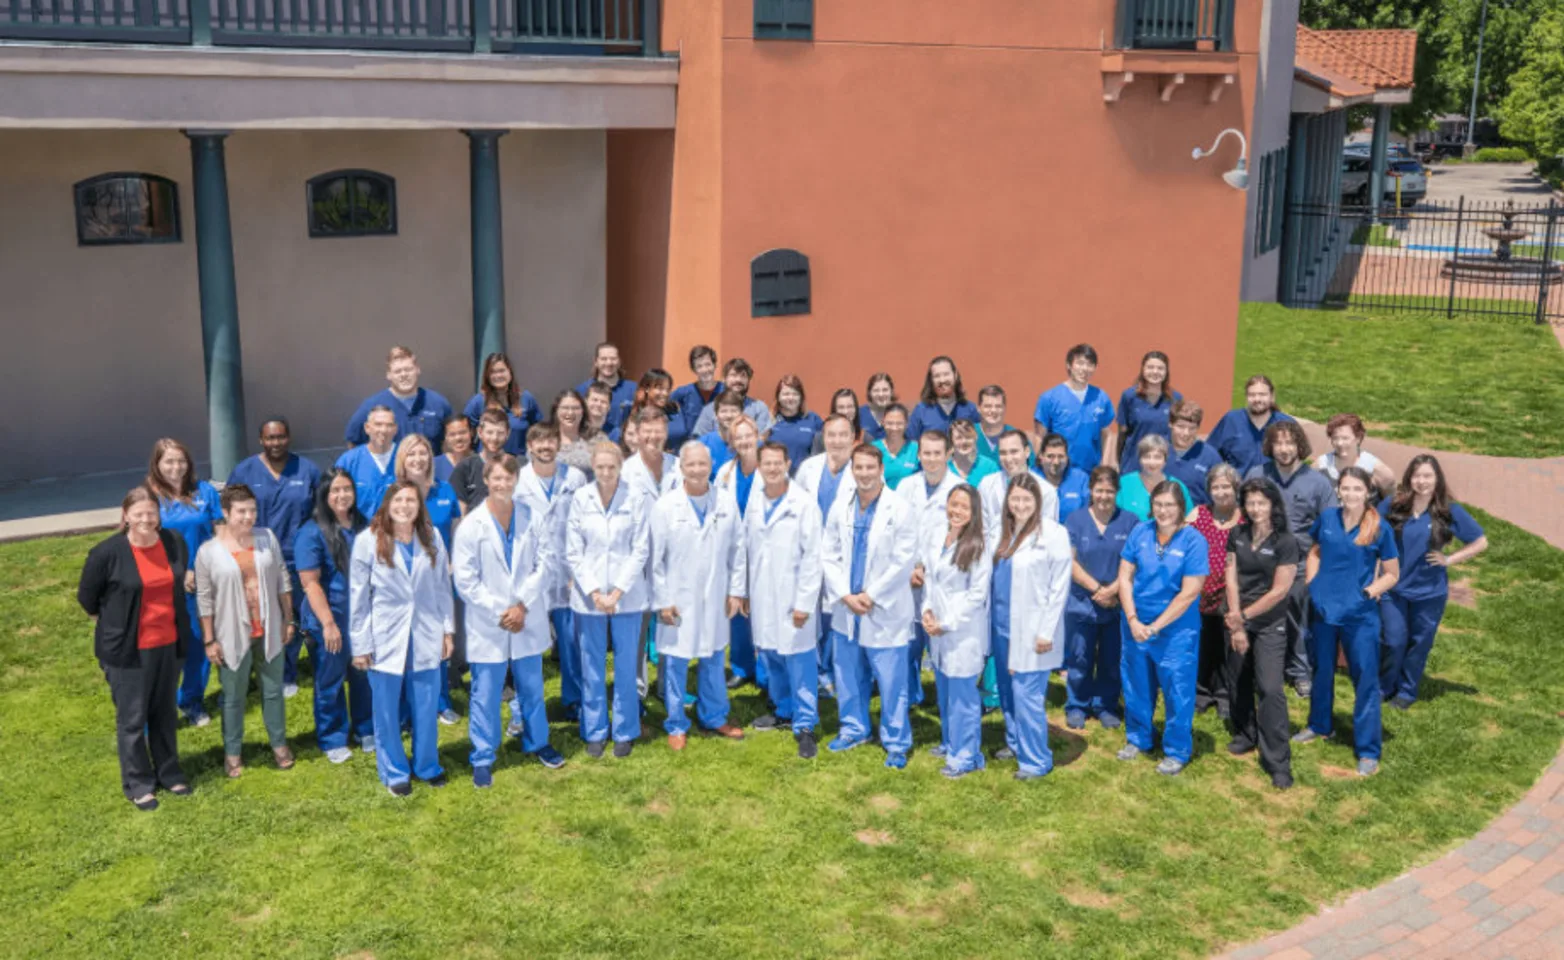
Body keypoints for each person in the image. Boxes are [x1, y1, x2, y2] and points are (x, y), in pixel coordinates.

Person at [77, 486, 196, 811]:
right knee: (132, 720)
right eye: (139, 514)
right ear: (126, 516)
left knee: (164, 713)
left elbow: (177, 583)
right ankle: (139, 784)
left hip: (168, 645)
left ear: (159, 516)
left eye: (151, 513)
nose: (146, 519)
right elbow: (87, 599)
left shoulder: (174, 542)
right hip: (128, 652)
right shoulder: (107, 553)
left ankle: (169, 773)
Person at [452, 455, 567, 786]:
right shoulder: (471, 527)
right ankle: (483, 756)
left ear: (517, 481)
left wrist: (522, 606)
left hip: (525, 618)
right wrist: (501, 610)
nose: (503, 484)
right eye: (497, 478)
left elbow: (545, 563)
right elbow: (466, 581)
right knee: (485, 693)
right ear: (486, 480)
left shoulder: (532, 517)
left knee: (531, 686)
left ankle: (538, 742)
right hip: (490, 623)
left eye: (509, 479)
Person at [349, 480, 455, 796]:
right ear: (387, 504)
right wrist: (361, 645)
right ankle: (394, 770)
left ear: (418, 505)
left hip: (425, 633)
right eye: (399, 500)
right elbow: (359, 598)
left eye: (411, 500)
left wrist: (448, 630)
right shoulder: (367, 541)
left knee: (425, 704)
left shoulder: (431, 536)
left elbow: (442, 588)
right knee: (386, 710)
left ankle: (426, 765)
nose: (405, 506)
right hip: (385, 638)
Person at [1295, 467, 1400, 776]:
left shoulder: (1379, 528)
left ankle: (1368, 750)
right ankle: (1319, 725)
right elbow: (1314, 551)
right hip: (1324, 611)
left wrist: (1370, 592)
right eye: (1346, 488)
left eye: (1358, 489)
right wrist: (1313, 583)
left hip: (1359, 615)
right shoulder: (1327, 518)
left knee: (1365, 679)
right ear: (1338, 490)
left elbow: (1393, 573)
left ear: (1368, 493)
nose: (1351, 494)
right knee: (1321, 669)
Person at [821, 443, 918, 768]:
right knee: (848, 676)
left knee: (891, 683)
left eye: (869, 468)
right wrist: (845, 594)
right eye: (858, 467)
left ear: (880, 470)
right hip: (847, 608)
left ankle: (896, 742)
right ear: (853, 470)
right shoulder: (841, 506)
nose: (864, 473)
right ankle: (854, 728)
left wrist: (871, 595)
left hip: (883, 609)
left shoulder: (899, 508)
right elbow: (828, 553)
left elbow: (903, 560)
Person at [650, 442, 749, 749]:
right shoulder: (666, 507)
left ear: (710, 466)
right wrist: (663, 600)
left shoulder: (725, 502)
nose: (696, 470)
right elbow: (654, 560)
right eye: (690, 464)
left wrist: (736, 590)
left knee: (714, 658)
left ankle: (714, 716)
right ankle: (676, 722)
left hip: (715, 595)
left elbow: (738, 549)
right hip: (677, 599)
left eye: (702, 464)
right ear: (681, 468)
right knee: (677, 662)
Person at [195, 483, 295, 778]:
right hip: (230, 637)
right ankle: (233, 752)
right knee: (234, 697)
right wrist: (210, 639)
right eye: (241, 511)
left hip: (269, 630)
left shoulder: (267, 538)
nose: (248, 516)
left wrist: (288, 619)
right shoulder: (208, 552)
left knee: (273, 691)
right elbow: (204, 599)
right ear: (226, 512)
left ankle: (279, 744)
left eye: (252, 510)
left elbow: (282, 580)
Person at [1116, 481, 1210, 776]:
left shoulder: (1193, 541)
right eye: (1158, 504)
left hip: (1175, 631)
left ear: (1181, 507)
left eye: (1170, 505)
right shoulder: (1140, 532)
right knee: (1136, 684)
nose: (1163, 511)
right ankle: (1139, 738)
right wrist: (1132, 619)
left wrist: (1155, 627)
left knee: (1177, 689)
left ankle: (1177, 749)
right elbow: (1125, 577)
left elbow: (1190, 592)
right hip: (1136, 625)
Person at [1379, 455, 1487, 709]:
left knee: (1419, 642)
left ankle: (1406, 691)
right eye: (1417, 476)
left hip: (1429, 593)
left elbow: (1481, 542)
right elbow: (1370, 528)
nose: (1422, 481)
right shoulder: (1393, 505)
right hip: (1393, 588)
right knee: (1393, 639)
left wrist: (1449, 559)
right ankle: (1385, 686)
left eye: (1428, 476)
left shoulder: (1448, 511)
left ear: (1437, 479)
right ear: (1409, 478)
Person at [566, 440, 651, 759]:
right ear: (593, 466)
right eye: (600, 467)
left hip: (626, 598)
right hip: (589, 599)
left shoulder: (636, 497)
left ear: (620, 467)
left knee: (627, 665)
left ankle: (625, 730)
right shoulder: (580, 498)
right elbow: (573, 550)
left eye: (611, 467)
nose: (605, 472)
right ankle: (595, 729)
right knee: (592, 666)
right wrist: (595, 593)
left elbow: (640, 548)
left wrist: (616, 591)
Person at [225, 417, 320, 696]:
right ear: (261, 440)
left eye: (280, 437)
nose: (275, 443)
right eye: (270, 438)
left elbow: (319, 513)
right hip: (257, 555)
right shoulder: (245, 471)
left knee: (293, 614)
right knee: (261, 613)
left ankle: (287, 671)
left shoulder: (307, 470)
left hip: (297, 555)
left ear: (288, 438)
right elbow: (229, 512)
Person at [744, 442, 825, 758]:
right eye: (767, 463)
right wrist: (745, 591)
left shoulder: (803, 503)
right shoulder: (755, 501)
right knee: (772, 656)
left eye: (779, 463)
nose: (773, 469)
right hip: (763, 594)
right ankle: (783, 710)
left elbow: (813, 557)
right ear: (761, 466)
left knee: (800, 661)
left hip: (793, 597)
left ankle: (805, 724)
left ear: (788, 463)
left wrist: (805, 602)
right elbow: (746, 547)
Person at [1245, 420, 1336, 698]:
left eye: (1289, 442)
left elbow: (1329, 526)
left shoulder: (1318, 483)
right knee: (1256, 616)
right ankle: (1251, 669)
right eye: (1278, 443)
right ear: (1270, 446)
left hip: (1299, 565)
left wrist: (1316, 565)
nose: (1284, 449)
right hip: (1261, 563)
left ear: (1300, 445)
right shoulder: (1258, 474)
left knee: (1298, 620)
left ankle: (1300, 672)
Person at [990, 474, 1072, 780]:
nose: (1020, 504)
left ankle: (1037, 760)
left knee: (1027, 697)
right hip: (1002, 627)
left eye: (1027, 499)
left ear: (1038, 501)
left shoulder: (1053, 533)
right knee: (1009, 694)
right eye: (1015, 499)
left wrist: (1046, 632)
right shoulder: (1006, 533)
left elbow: (1059, 587)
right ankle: (1015, 744)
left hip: (1033, 631)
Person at [1224, 478, 1300, 790]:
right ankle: (1245, 734)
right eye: (1250, 503)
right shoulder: (1236, 535)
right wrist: (1237, 623)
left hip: (1269, 624)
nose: (1256, 509)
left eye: (1261, 502)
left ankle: (1277, 760)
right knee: (1238, 680)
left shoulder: (1286, 542)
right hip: (1237, 618)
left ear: (1273, 504)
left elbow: (1280, 591)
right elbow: (1231, 579)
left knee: (1270, 689)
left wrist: (1243, 617)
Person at [295, 469, 373, 763]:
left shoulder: (364, 526)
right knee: (331, 679)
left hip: (361, 616)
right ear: (325, 496)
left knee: (363, 673)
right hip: (330, 617)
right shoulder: (311, 532)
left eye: (347, 489)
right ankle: (333, 737)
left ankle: (365, 728)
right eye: (335, 491)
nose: (342, 496)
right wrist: (328, 624)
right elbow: (310, 583)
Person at [147, 437, 224, 727]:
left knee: (200, 642)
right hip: (163, 585)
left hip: (202, 581)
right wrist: (178, 572)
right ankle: (158, 706)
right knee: (164, 651)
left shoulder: (204, 491)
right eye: (169, 461)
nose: (176, 467)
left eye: (181, 460)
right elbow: (142, 543)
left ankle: (191, 701)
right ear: (157, 464)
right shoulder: (149, 497)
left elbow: (219, 532)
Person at [515, 421, 589, 724]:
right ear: (530, 446)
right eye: (539, 442)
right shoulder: (518, 481)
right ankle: (523, 710)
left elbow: (585, 524)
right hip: (531, 575)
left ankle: (573, 700)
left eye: (550, 441)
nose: (545, 447)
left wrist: (581, 569)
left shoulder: (576, 477)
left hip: (568, 574)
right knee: (528, 646)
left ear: (559, 445)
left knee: (571, 643)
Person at [920, 484, 992, 778]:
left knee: (963, 697)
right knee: (945, 692)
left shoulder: (979, 545)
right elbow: (930, 580)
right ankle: (951, 741)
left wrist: (946, 622)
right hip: (937, 629)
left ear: (974, 512)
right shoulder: (939, 536)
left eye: (964, 507)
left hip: (962, 633)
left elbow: (977, 595)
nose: (957, 511)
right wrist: (926, 610)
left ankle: (967, 756)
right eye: (953, 505)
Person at [392, 433, 461, 723]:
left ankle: (441, 701)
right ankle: (408, 705)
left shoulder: (445, 491)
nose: (418, 459)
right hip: (405, 582)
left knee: (439, 639)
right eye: (412, 454)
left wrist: (454, 562)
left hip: (440, 580)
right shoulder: (395, 494)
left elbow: (457, 530)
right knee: (406, 642)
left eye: (423, 454)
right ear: (402, 460)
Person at [1063, 466, 1137, 730]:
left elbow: (1134, 561)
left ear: (1117, 492)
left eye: (1109, 491)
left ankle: (1105, 705)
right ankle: (1076, 704)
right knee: (1080, 657)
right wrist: (1097, 590)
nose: (1104, 496)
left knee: (1111, 657)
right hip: (1082, 602)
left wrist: (1115, 589)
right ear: (1090, 491)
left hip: (1117, 603)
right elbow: (1069, 562)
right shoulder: (1075, 520)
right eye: (1099, 490)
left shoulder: (1129, 522)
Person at [796, 414, 859, 693]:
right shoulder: (809, 468)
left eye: (842, 435)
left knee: (839, 614)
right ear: (824, 437)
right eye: (831, 435)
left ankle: (837, 672)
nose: (836, 441)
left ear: (853, 437)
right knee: (812, 613)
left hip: (844, 555)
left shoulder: (863, 469)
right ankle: (817, 670)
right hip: (810, 552)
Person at [900, 430, 963, 709]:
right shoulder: (905, 487)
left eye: (938, 453)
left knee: (941, 640)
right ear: (918, 454)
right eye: (926, 453)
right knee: (908, 642)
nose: (932, 459)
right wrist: (911, 567)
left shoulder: (960, 489)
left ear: (949, 454)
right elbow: (896, 532)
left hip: (943, 579)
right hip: (908, 577)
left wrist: (928, 568)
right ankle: (911, 698)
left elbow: (963, 537)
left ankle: (945, 699)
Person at [714, 417, 765, 690]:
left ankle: (765, 668)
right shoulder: (725, 472)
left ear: (757, 435)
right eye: (739, 437)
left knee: (763, 609)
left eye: (748, 436)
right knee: (736, 608)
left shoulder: (768, 468)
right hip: (733, 549)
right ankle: (741, 666)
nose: (744, 442)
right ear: (731, 442)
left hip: (762, 549)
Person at [1189, 464, 1242, 718]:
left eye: (1226, 486)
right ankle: (1201, 692)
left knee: (1225, 646)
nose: (1221, 492)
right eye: (1216, 486)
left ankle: (1224, 694)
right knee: (1202, 645)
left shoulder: (1244, 519)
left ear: (1235, 489)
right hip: (1199, 593)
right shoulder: (1199, 514)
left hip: (1229, 594)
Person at [345, 345, 453, 447]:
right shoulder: (371, 407)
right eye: (397, 371)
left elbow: (450, 443)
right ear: (389, 375)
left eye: (408, 370)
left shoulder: (438, 403)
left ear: (418, 370)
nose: (404, 375)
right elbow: (353, 442)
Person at [1034, 343, 1116, 471]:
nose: (1084, 368)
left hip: (1090, 472)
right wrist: (1042, 467)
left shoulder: (1100, 397)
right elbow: (1039, 436)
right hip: (1058, 472)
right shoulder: (1049, 398)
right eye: (1080, 363)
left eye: (1090, 364)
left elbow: (1107, 434)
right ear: (1069, 365)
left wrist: (1104, 466)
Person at [1207, 374, 1295, 475]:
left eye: (1262, 394)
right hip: (1239, 488)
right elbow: (1210, 454)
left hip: (1275, 488)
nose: (1257, 399)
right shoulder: (1231, 420)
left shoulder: (1286, 424)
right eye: (1252, 395)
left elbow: (1298, 459)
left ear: (1272, 396)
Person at [979, 432, 1058, 536]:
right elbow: (982, 529)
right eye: (1003, 453)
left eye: (1014, 452)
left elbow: (1048, 533)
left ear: (1027, 452)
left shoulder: (1046, 491)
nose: (1008, 459)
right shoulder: (986, 485)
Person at [1117, 351, 1181, 475]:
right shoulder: (1129, 397)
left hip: (1163, 466)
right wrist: (1119, 462)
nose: (1155, 372)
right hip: (1134, 465)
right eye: (1150, 367)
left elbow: (1177, 436)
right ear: (1143, 369)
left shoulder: (1175, 399)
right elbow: (1122, 434)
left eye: (1160, 368)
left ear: (1166, 372)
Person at [465, 352, 541, 455]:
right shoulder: (478, 401)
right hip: (488, 464)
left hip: (518, 462)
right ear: (487, 376)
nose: (498, 375)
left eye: (502, 371)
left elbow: (538, 430)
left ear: (510, 372)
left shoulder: (526, 398)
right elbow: (466, 433)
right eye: (492, 372)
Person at [334, 405, 400, 520]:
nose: (383, 430)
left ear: (395, 429)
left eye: (389, 425)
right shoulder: (349, 461)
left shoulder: (406, 458)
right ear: (367, 428)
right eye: (378, 424)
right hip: (359, 533)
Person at [1317, 413, 1397, 499]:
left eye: (1345, 438)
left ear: (1358, 438)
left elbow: (1389, 501)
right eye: (1335, 438)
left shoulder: (1377, 471)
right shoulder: (1321, 465)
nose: (1340, 443)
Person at [1115, 436, 1193, 522]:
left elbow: (1188, 519)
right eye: (1147, 457)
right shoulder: (1124, 483)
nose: (1152, 462)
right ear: (1139, 459)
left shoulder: (1178, 486)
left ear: (1165, 460)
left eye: (1157, 457)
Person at [1165, 400, 1225, 508]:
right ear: (1170, 424)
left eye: (1192, 428)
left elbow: (1222, 494)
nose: (1186, 433)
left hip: (1197, 521)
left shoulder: (1211, 457)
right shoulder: (1156, 451)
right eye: (1181, 426)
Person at [692, 357, 773, 436]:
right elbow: (700, 442)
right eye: (733, 375)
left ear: (748, 380)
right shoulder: (709, 410)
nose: (738, 379)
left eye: (743, 375)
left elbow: (761, 439)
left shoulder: (759, 408)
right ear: (724, 379)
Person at [450, 410, 511, 512]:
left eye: (500, 433)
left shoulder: (517, 466)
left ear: (508, 433)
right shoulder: (465, 468)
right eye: (489, 432)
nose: (494, 438)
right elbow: (459, 511)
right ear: (480, 432)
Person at [907, 355, 979, 440]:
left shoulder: (970, 410)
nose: (942, 380)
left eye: (946, 374)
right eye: (937, 376)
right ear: (931, 380)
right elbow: (911, 445)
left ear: (955, 375)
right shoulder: (921, 411)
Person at [622, 407, 681, 503]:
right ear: (637, 434)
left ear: (666, 433)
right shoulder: (625, 473)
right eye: (647, 431)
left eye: (658, 431)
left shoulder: (680, 468)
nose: (653, 436)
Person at [575, 341, 637, 431]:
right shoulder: (582, 390)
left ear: (619, 361)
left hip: (621, 443)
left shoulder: (633, 389)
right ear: (596, 362)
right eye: (604, 359)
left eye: (613, 359)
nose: (609, 363)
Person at [767, 374, 822, 471]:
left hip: (804, 479)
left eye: (795, 394)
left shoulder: (813, 419)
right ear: (778, 397)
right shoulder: (768, 420)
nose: (790, 398)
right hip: (774, 477)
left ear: (801, 397)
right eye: (786, 394)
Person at [629, 369, 692, 451]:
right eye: (660, 388)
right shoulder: (636, 415)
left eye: (668, 389)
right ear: (647, 388)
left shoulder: (675, 410)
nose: (665, 393)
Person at [1037, 433, 1091, 521]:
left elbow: (1090, 515)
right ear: (1041, 457)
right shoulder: (1032, 478)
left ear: (1067, 457)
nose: (1056, 462)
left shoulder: (1081, 479)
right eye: (1050, 456)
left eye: (1060, 456)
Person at [670, 345, 724, 428]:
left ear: (715, 365)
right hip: (692, 440)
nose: (705, 370)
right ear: (694, 370)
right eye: (699, 366)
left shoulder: (726, 391)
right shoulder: (684, 392)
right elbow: (662, 404)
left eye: (708, 364)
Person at [699, 390, 748, 479]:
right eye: (724, 411)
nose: (729, 415)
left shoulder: (753, 444)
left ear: (742, 414)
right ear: (715, 415)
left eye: (734, 411)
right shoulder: (703, 443)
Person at [872, 404, 920, 490]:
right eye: (890, 423)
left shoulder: (916, 449)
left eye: (899, 423)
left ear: (907, 424)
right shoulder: (873, 448)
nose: (894, 428)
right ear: (883, 422)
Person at [551, 389, 598, 477]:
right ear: (556, 410)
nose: (570, 412)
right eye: (565, 408)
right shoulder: (545, 438)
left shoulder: (597, 438)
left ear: (583, 411)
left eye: (576, 408)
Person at [948, 420, 998, 487]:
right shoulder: (944, 468)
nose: (964, 441)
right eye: (959, 438)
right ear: (952, 441)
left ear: (976, 437)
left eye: (968, 437)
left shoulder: (990, 467)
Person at [974, 385, 1016, 463]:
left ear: (1004, 408)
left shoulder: (1016, 437)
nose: (993, 410)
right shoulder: (967, 435)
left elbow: (1031, 469)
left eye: (998, 406)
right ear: (978, 408)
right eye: (988, 406)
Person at [435, 414, 475, 486]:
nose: (458, 438)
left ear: (471, 432)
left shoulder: (481, 464)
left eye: (462, 432)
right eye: (452, 434)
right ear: (446, 437)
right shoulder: (435, 465)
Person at [859, 374, 894, 442]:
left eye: (885, 390)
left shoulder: (899, 414)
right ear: (869, 393)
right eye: (876, 390)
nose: (881, 394)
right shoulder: (860, 414)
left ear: (891, 392)